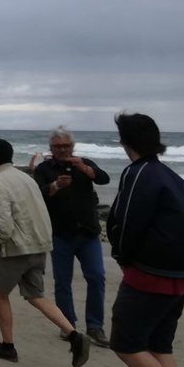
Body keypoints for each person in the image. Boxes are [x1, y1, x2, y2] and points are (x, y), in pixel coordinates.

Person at [108, 112, 184, 367]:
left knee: (126, 343)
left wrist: (121, 255)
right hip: (180, 276)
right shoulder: (172, 176)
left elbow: (128, 221)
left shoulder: (138, 173)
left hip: (150, 274)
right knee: (160, 346)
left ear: (125, 142)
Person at [0, 138, 89, 367]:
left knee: (0, 292)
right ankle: (73, 334)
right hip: (39, 244)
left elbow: (3, 223)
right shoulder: (25, 178)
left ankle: (7, 345)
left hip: (15, 248)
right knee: (35, 295)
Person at [33, 126, 112, 347]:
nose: (62, 150)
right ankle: (68, 326)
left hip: (88, 233)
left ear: (72, 146)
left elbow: (104, 179)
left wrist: (85, 169)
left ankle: (95, 326)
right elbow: (38, 194)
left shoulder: (83, 163)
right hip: (60, 234)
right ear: (51, 148)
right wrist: (56, 185)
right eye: (58, 146)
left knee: (96, 277)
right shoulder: (43, 169)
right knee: (62, 283)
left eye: (66, 145)